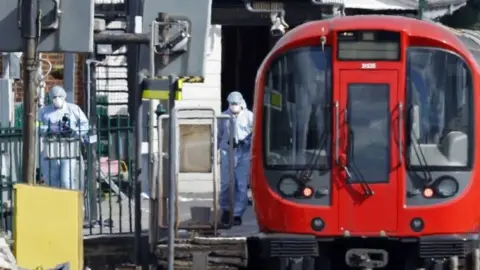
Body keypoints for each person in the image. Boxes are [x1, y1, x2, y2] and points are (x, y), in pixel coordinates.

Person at [39, 85, 89, 189]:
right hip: (51, 148)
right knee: (52, 181)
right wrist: (49, 128)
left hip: (69, 148)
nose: (57, 99)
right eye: (54, 97)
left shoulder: (74, 109)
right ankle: (56, 204)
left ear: (64, 96)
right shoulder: (45, 111)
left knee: (67, 181)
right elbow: (36, 126)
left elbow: (85, 125)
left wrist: (74, 131)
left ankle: (70, 203)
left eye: (59, 96)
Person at [218, 91, 253, 226]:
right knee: (226, 183)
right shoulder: (223, 117)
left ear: (241, 103)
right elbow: (218, 135)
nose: (234, 106)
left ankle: (238, 214)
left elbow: (255, 133)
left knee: (241, 185)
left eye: (236, 104)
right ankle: (225, 210)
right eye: (231, 104)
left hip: (244, 153)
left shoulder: (249, 117)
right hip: (227, 152)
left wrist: (246, 142)